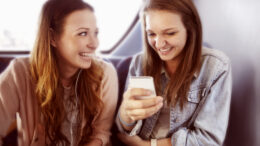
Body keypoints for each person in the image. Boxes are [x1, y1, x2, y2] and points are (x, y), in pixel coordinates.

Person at [0, 0, 118, 145]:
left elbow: (101, 133)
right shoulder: (20, 72)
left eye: (95, 33)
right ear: (53, 37)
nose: (94, 44)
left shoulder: (105, 74)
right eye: (83, 33)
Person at [116, 0, 232, 145]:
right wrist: (125, 114)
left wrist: (145, 145)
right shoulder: (139, 63)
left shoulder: (216, 67)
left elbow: (207, 141)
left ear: (190, 29)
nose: (158, 44)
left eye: (170, 33)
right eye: (151, 34)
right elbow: (125, 131)